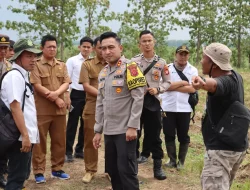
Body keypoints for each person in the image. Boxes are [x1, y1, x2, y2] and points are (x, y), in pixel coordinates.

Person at [93, 32, 145, 190]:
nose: (107, 51)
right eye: (103, 48)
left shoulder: (131, 68)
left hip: (125, 131)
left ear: (120, 48)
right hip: (109, 131)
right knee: (113, 171)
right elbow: (100, 102)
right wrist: (98, 130)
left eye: (111, 47)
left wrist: (132, 126)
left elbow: (138, 98)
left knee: (126, 171)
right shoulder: (103, 73)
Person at [192, 43, 247, 189]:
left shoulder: (225, 81)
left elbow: (214, 84)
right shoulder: (236, 76)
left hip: (222, 151)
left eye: (204, 58)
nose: (201, 61)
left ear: (214, 64)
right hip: (233, 146)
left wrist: (202, 83)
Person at [30, 34, 71, 183]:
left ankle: (57, 169)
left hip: (59, 112)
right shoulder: (36, 65)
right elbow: (36, 85)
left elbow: (66, 82)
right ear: (42, 48)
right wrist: (56, 98)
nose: (52, 49)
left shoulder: (62, 64)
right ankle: (39, 171)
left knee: (60, 141)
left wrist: (56, 94)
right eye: (49, 47)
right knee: (40, 142)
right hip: (42, 111)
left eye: (54, 46)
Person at [1, 38, 40, 190]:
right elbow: (15, 106)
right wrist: (25, 135)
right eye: (29, 56)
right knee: (16, 179)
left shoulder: (22, 76)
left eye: (34, 56)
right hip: (18, 137)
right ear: (18, 57)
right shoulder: (14, 76)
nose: (33, 60)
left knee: (21, 176)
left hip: (23, 135)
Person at [131, 30, 171, 180]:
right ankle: (132, 169)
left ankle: (158, 167)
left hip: (152, 103)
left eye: (149, 41)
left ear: (154, 42)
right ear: (139, 44)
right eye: (144, 41)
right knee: (134, 134)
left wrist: (158, 89)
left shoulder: (161, 62)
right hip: (136, 102)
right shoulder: (133, 62)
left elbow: (168, 81)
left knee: (154, 135)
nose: (147, 44)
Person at [160, 45, 198, 169]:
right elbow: (163, 86)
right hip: (168, 107)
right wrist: (182, 83)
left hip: (184, 108)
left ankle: (181, 162)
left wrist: (172, 86)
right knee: (169, 134)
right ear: (175, 55)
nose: (183, 56)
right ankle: (171, 160)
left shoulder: (193, 70)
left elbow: (192, 88)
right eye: (180, 54)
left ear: (188, 55)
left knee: (183, 135)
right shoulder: (167, 69)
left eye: (185, 54)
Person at [79, 36, 107, 183]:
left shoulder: (118, 64)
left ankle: (111, 170)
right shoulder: (87, 65)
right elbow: (86, 86)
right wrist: (105, 95)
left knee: (112, 139)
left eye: (106, 47)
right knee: (90, 138)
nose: (103, 51)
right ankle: (90, 170)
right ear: (95, 48)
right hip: (93, 106)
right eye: (100, 47)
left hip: (114, 108)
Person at [65, 37, 93, 162]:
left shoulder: (93, 62)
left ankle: (79, 150)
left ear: (92, 49)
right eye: (84, 46)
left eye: (88, 47)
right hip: (76, 94)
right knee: (72, 123)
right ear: (79, 47)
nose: (86, 49)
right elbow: (67, 79)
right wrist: (67, 95)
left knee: (85, 124)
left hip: (89, 95)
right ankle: (67, 151)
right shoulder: (72, 61)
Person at [0, 34, 12, 188]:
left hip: (4, 109)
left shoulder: (9, 66)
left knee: (4, 142)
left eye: (5, 48)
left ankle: (2, 171)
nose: (3, 51)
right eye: (0, 48)